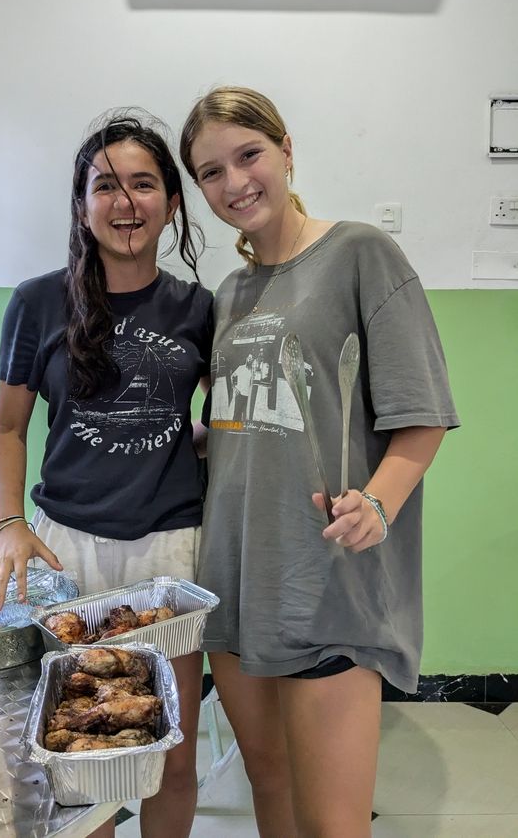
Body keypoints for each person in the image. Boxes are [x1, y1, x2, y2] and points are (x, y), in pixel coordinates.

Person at [179, 86, 459, 838]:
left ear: (286, 150)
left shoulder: (361, 252)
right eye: (211, 172)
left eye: (249, 156)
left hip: (325, 581)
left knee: (334, 823)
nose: (235, 183)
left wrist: (377, 501)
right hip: (234, 579)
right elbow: (244, 426)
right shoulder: (230, 292)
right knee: (268, 786)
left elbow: (424, 415)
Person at [0, 112, 213, 838]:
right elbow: (8, 427)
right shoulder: (36, 301)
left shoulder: (200, 310)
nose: (125, 202)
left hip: (168, 547)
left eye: (144, 184)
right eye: (105, 185)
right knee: (78, 756)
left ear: (172, 203)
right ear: (82, 204)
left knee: (168, 750)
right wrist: (9, 522)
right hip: (65, 551)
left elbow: (218, 419)